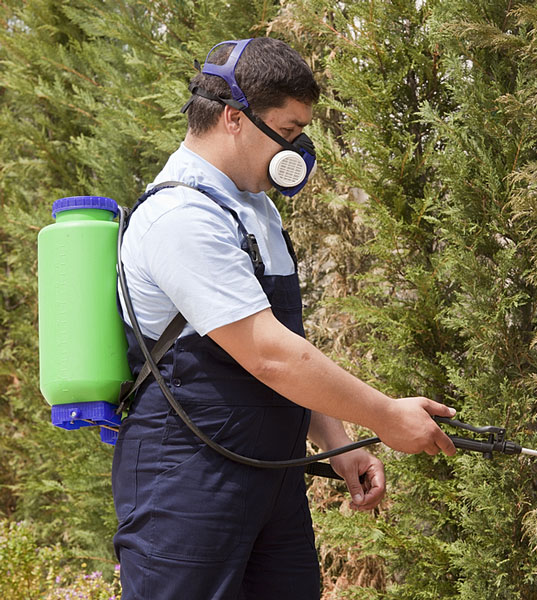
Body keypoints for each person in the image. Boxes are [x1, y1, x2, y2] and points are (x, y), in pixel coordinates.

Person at [112, 36, 456, 600]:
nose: (297, 150)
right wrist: (388, 416)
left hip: (270, 476)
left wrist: (338, 443)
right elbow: (269, 355)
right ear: (234, 118)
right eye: (289, 130)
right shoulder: (181, 215)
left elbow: (287, 353)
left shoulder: (255, 208)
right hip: (186, 480)